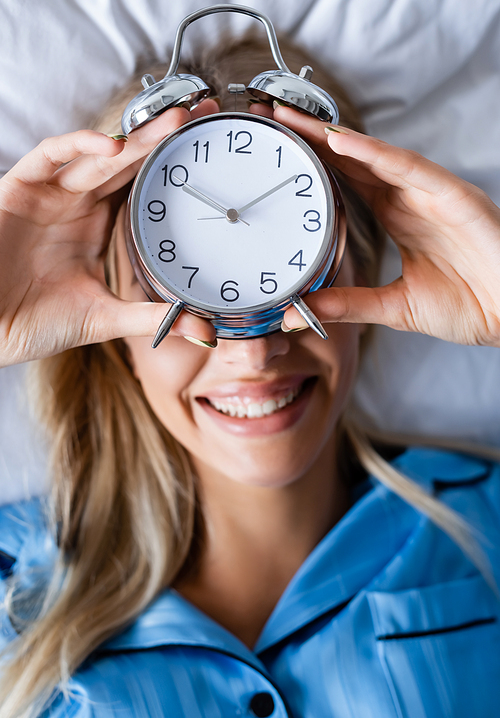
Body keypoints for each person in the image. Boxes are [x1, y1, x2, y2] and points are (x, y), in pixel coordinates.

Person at [0, 35, 499, 718]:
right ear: (114, 339)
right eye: (187, 290)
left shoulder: (488, 522)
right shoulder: (11, 582)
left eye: (297, 274)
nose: (253, 349)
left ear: (365, 274)